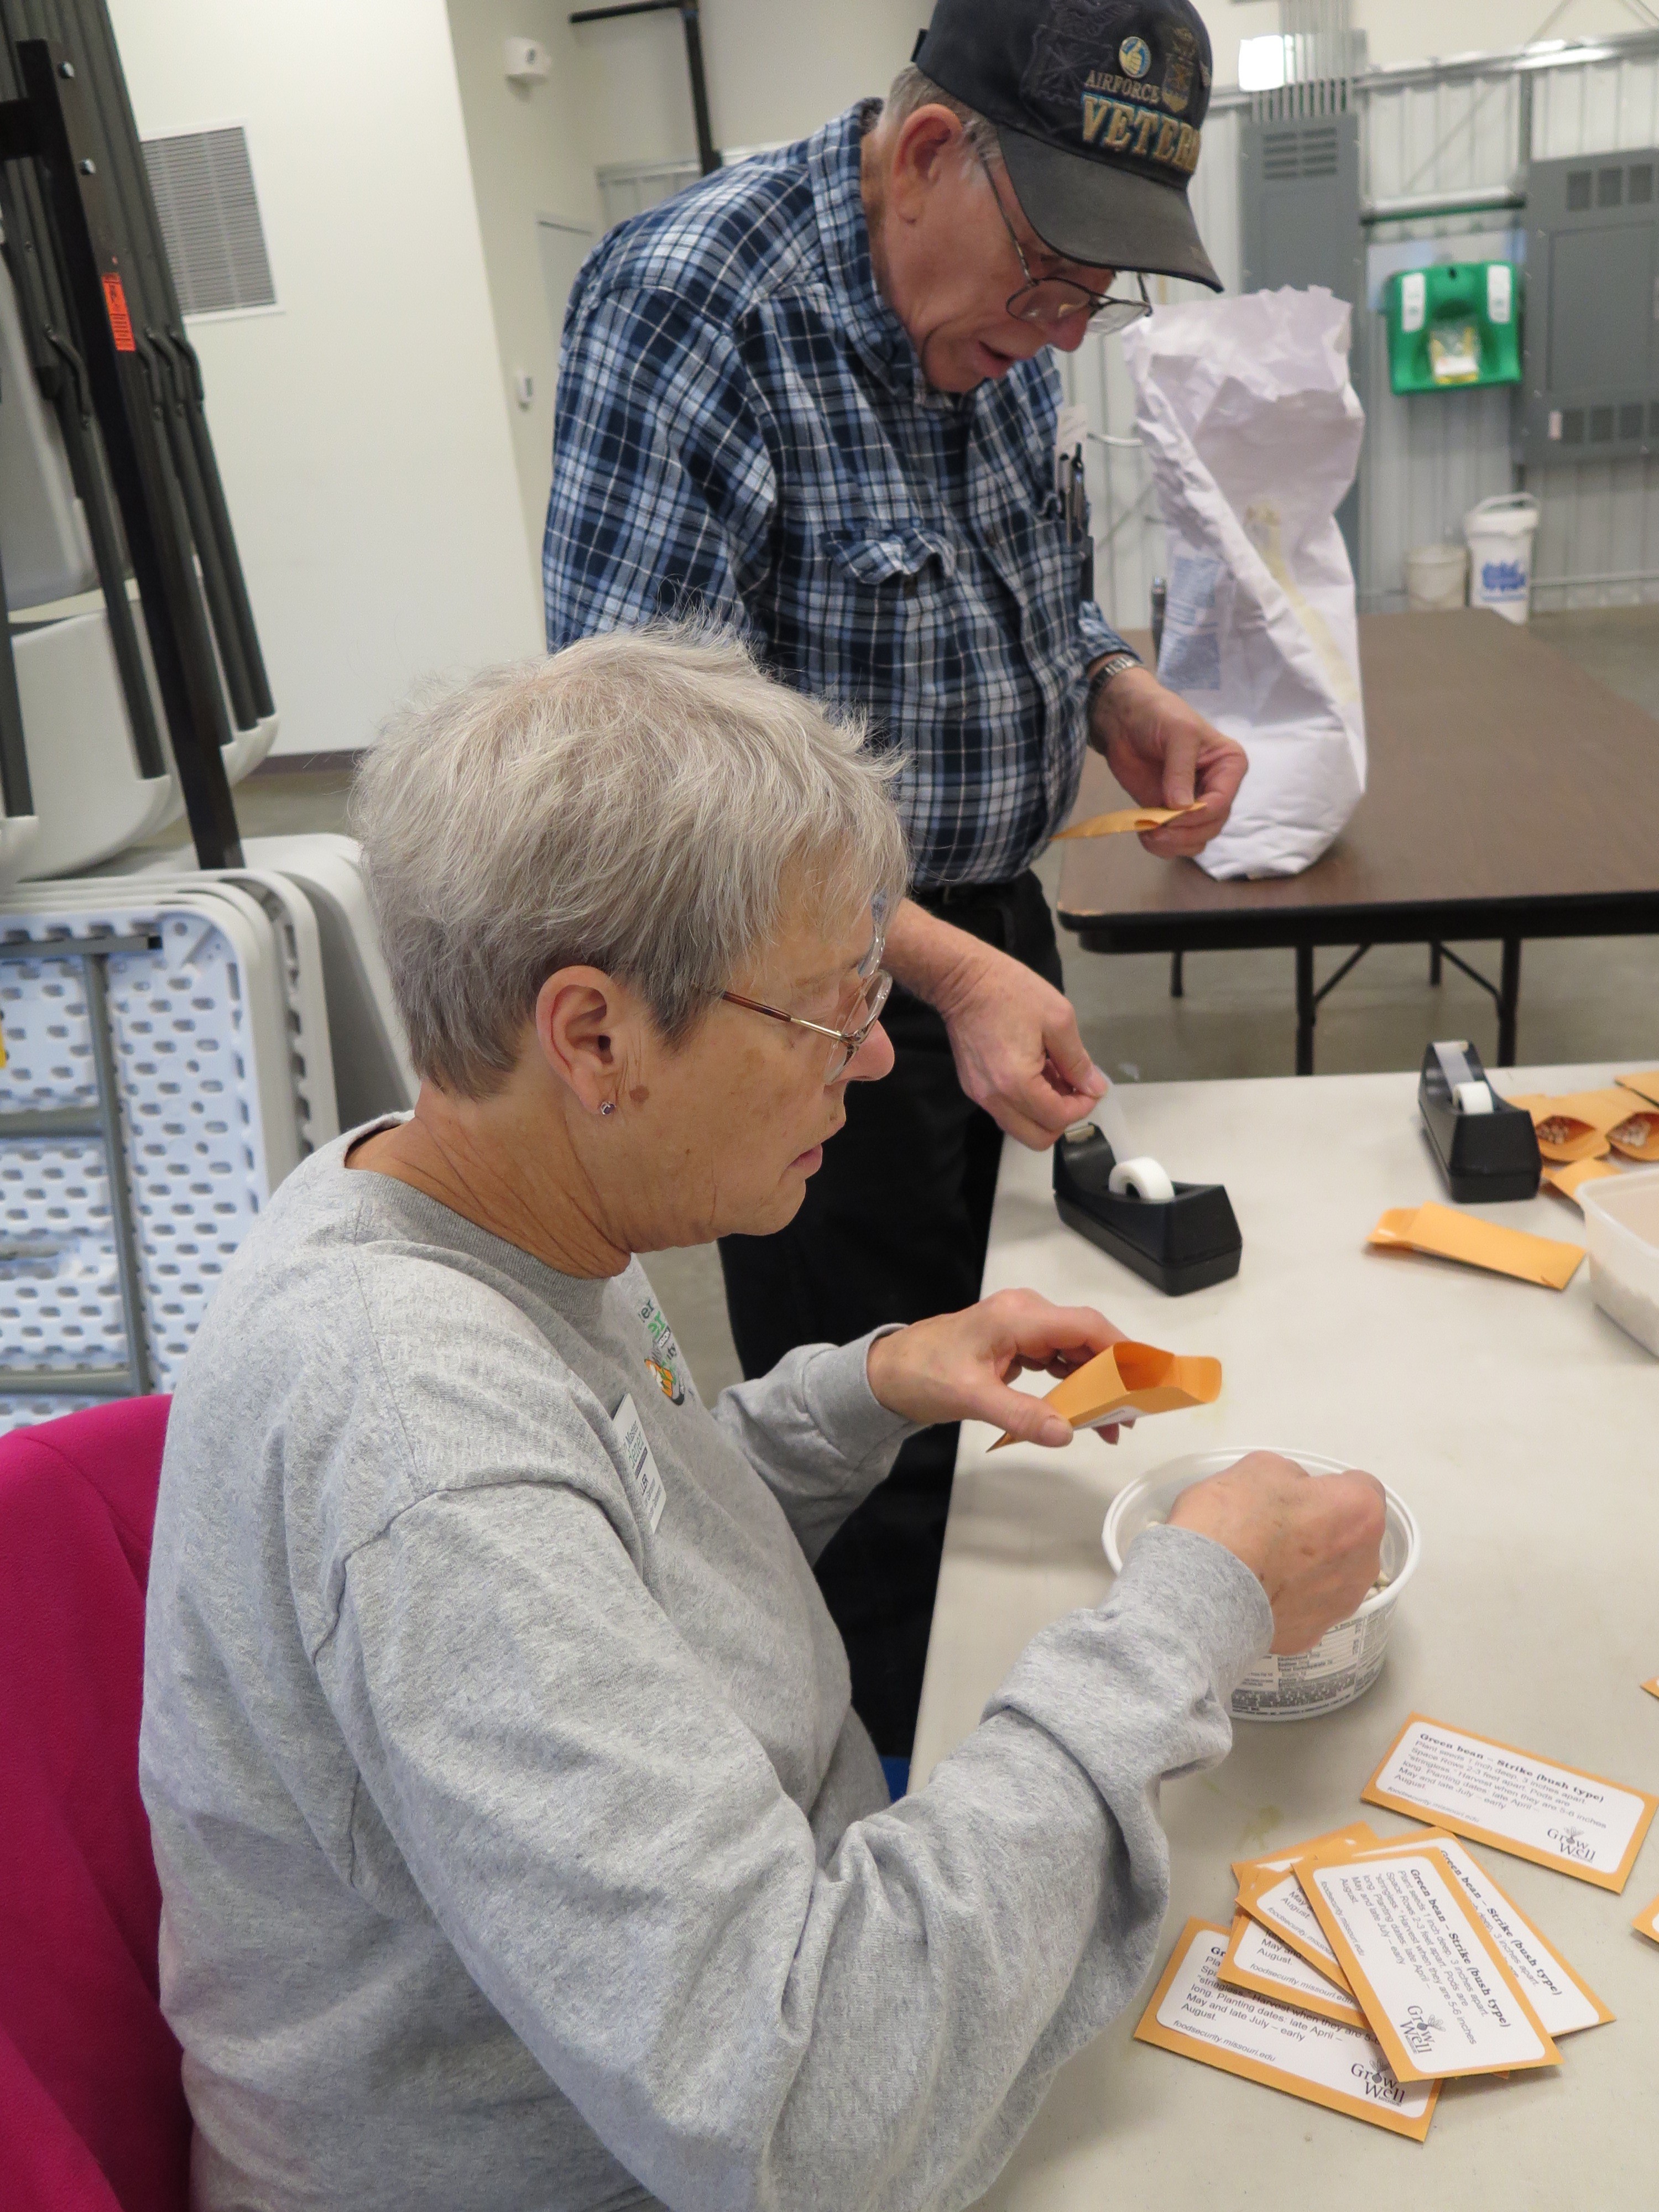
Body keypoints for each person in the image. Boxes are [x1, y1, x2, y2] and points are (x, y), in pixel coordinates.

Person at [142, 629, 1383, 2212]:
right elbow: (799, 2112)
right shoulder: (416, 1440)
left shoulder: (473, 1196)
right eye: (822, 1015)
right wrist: (1193, 1617)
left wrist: (859, 1393)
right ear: (591, 1036)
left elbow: (619, 1547)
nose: (872, 1062)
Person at [543, 0, 1250, 1757]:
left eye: (1101, 297)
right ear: (932, 154)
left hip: (977, 929)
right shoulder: (697, 305)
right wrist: (925, 972)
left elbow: (1032, 584)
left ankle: (1004, 1713)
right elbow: (656, 768)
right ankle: (876, 1801)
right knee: (873, 1438)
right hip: (803, 990)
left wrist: (1117, 691)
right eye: (1052, 278)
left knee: (1002, 1343)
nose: (1060, 328)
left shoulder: (994, 316)